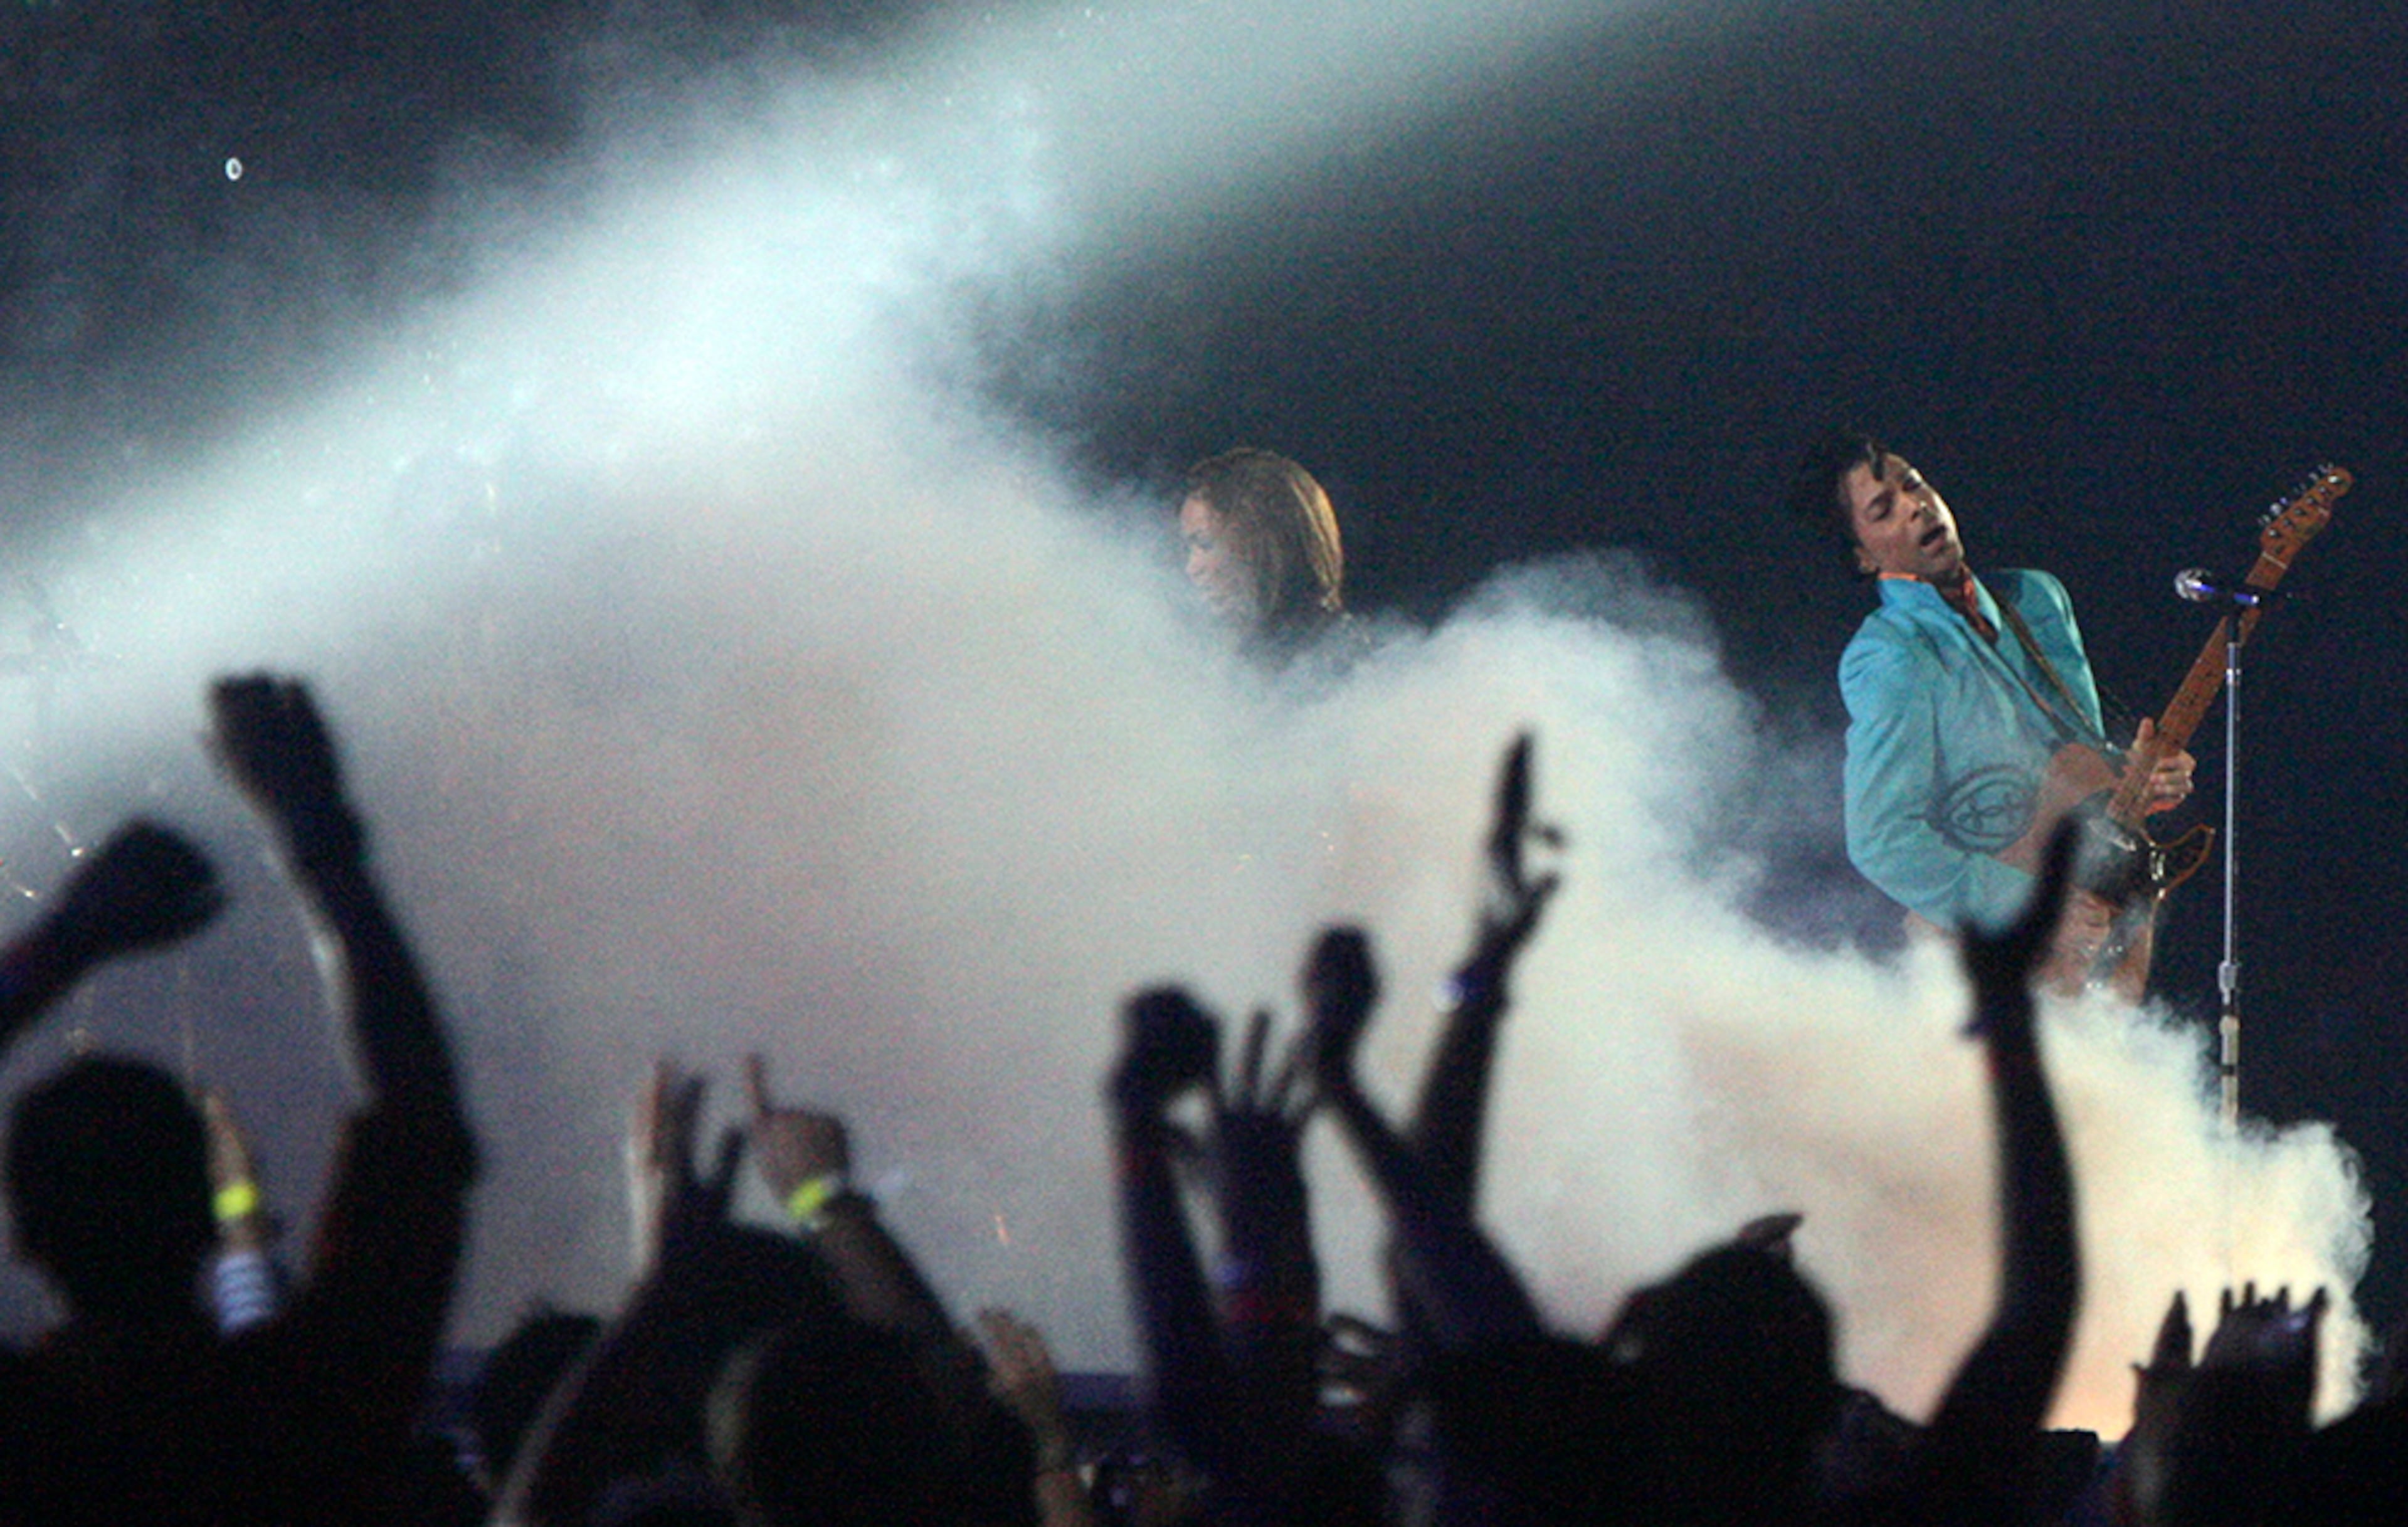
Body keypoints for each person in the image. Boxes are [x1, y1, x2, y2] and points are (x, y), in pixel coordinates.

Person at [1787, 430, 2194, 990]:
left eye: (1914, 484)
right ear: (1863, 556)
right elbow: (1881, 838)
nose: (1916, 507)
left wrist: (2140, 773)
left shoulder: (2038, 598)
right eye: (1885, 510)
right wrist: (2029, 905)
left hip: (2102, 923)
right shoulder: (1892, 655)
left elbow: (2077, 764)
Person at [1176, 447, 1347, 645]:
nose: (1191, 569)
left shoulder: (1350, 661)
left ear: (1269, 543)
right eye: (1189, 549)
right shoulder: (1212, 656)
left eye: (1205, 544)